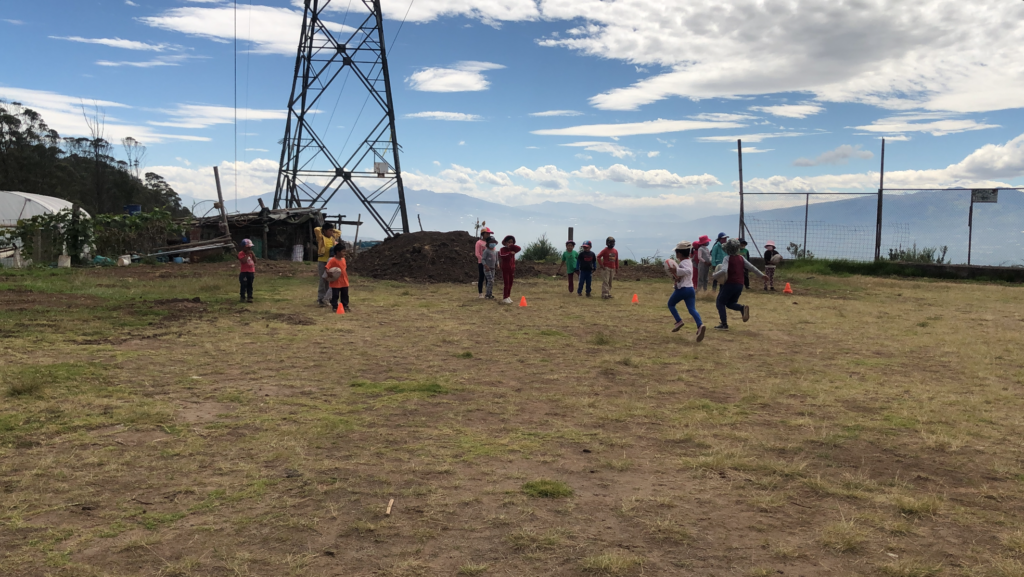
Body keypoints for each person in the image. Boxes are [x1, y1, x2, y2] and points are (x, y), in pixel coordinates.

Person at [711, 238, 765, 331]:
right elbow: (752, 267)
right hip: (739, 285)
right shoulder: (741, 258)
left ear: (727, 249)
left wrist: (714, 275)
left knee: (720, 302)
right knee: (730, 303)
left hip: (729, 284)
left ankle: (724, 324)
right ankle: (742, 308)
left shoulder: (727, 258)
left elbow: (723, 270)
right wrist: (762, 275)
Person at [665, 241, 706, 342]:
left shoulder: (684, 263)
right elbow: (685, 275)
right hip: (690, 289)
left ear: (678, 253)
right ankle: (700, 325)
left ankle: (679, 321)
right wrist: (677, 279)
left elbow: (688, 271)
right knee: (692, 309)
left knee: (671, 304)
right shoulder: (689, 261)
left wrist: (676, 271)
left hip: (683, 289)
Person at [314, 222, 341, 307]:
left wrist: (332, 229)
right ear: (324, 231)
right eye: (329, 230)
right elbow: (316, 229)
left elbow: (339, 232)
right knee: (323, 280)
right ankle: (321, 298)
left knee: (330, 280)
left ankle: (328, 298)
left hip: (331, 261)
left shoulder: (333, 237)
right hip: (322, 261)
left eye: (332, 231)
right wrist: (322, 228)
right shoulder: (321, 238)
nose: (331, 232)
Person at [325, 243, 350, 313]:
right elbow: (327, 267)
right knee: (335, 294)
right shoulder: (333, 260)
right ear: (337, 252)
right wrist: (328, 273)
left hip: (344, 280)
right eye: (343, 251)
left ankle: (345, 305)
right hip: (336, 281)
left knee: (345, 294)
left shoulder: (344, 259)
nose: (344, 253)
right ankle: (335, 306)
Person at [498, 235, 521, 304]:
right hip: (505, 269)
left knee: (510, 283)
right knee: (506, 283)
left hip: (512, 269)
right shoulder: (502, 249)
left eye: (512, 242)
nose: (510, 243)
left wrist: (511, 246)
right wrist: (509, 253)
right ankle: (505, 297)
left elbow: (519, 248)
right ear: (505, 242)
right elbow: (502, 255)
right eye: (509, 242)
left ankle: (508, 296)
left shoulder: (513, 249)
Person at [475, 227, 494, 298]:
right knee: (481, 278)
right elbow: (477, 253)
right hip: (481, 263)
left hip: (489, 264)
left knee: (488, 279)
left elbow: (493, 252)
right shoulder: (479, 243)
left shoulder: (490, 243)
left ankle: (488, 293)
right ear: (483, 234)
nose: (488, 235)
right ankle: (480, 293)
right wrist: (483, 261)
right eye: (487, 233)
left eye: (489, 233)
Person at [238, 239, 256, 303]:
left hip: (251, 271)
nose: (249, 248)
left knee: (250, 284)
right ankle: (242, 296)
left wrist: (252, 255)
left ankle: (249, 297)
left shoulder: (251, 254)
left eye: (250, 247)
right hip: (244, 272)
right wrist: (247, 255)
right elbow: (243, 261)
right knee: (243, 284)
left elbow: (255, 261)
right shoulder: (241, 254)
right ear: (243, 247)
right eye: (248, 247)